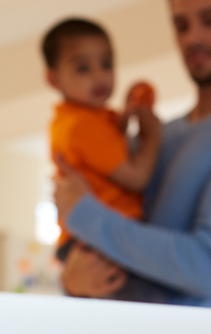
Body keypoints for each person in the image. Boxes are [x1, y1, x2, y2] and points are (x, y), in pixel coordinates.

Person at [54, 0, 211, 307]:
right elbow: (104, 246)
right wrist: (70, 280)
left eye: (210, 20)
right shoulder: (156, 138)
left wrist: (84, 215)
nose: (193, 37)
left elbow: (206, 266)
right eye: (181, 25)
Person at [40, 18, 162, 260]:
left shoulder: (76, 119)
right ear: (54, 79)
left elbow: (106, 152)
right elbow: (136, 177)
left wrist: (125, 120)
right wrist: (152, 136)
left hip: (84, 236)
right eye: (83, 68)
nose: (99, 76)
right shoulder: (82, 126)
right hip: (95, 241)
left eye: (106, 64)